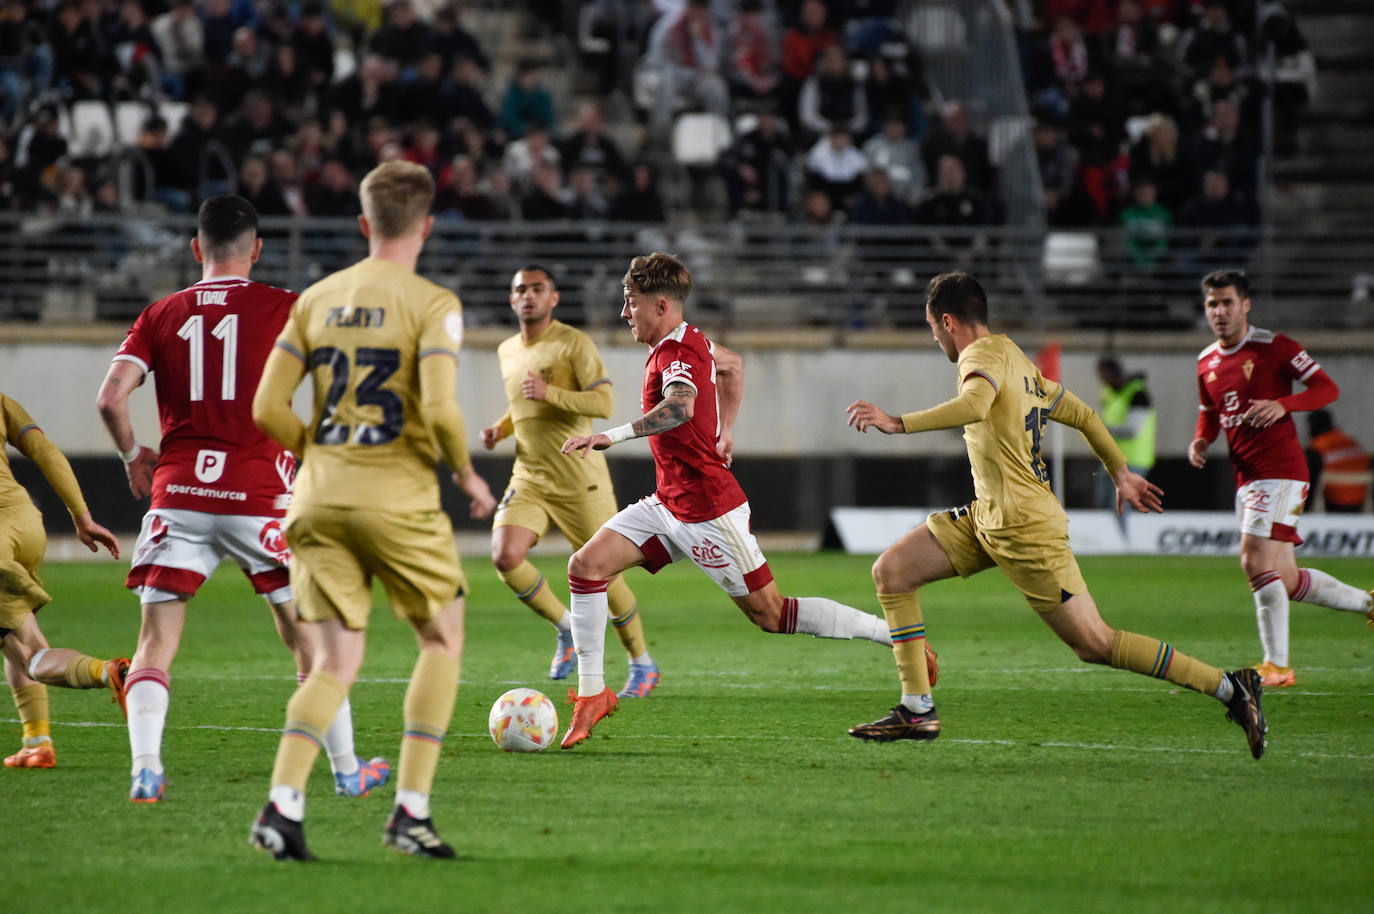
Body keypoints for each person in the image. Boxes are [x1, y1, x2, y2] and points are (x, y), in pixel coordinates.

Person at [844, 271, 1269, 759]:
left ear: (947, 321)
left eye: (932, 329)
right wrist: (1121, 473)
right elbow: (1085, 415)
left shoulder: (979, 358)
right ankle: (917, 709)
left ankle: (1231, 688)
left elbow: (976, 403)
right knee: (892, 572)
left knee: (1096, 644)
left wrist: (898, 423)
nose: (935, 338)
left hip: (1025, 528)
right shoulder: (1016, 359)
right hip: (989, 518)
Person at [96, 195, 389, 803]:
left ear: (196, 248)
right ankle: (345, 770)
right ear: (256, 249)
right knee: (311, 642)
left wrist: (132, 457)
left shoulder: (160, 313)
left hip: (177, 492)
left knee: (154, 643)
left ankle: (145, 768)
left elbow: (109, 398)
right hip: (261, 494)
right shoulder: (287, 307)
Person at [557, 252, 915, 750]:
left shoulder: (675, 354)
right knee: (586, 567)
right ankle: (593, 695)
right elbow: (732, 365)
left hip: (709, 512)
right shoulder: (691, 340)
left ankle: (897, 638)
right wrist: (727, 430)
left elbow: (679, 406)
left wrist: (609, 437)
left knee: (772, 615)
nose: (624, 313)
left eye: (630, 303)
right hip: (668, 505)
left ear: (661, 304)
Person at [249, 160, 496, 861]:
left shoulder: (316, 298)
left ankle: (283, 804)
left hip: (318, 499)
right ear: (427, 226)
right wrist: (466, 474)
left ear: (363, 225)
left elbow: (268, 408)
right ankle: (409, 812)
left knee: (331, 663)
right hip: (398, 498)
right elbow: (444, 408)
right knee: (441, 639)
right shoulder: (433, 302)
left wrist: (323, 453)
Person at [480, 266, 660, 697]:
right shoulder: (507, 349)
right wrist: (501, 429)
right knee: (505, 556)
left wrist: (551, 394)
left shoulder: (572, 343)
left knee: (606, 575)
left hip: (580, 480)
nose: (528, 296)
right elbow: (523, 404)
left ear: (553, 298)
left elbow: (603, 400)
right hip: (530, 476)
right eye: (520, 289)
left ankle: (642, 662)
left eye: (537, 289)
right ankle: (566, 629)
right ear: (511, 300)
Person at [1189, 269, 1373, 687]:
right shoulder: (1206, 361)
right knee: (1285, 580)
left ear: (1245, 304)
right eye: (1212, 304)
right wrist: (1201, 441)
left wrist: (1284, 404)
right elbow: (1210, 412)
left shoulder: (1275, 347)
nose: (1219, 311)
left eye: (1227, 302)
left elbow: (1326, 389)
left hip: (1281, 471)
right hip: (1248, 478)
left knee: (1253, 559)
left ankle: (1277, 666)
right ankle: (1368, 604)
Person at [1, 392, 128, 769]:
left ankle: (114, 672)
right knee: (14, 634)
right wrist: (82, 516)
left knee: (30, 655)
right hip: (25, 521)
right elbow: (46, 452)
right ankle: (36, 742)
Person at [1094, 356, 1155, 509]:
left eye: (1103, 375)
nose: (1102, 380)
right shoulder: (1110, 394)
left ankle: (1124, 533)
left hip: (1133, 460)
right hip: (1112, 460)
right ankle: (1110, 533)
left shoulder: (1138, 394)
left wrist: (1102, 430)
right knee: (1104, 504)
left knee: (1120, 507)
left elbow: (1132, 430)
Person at [1305, 410, 1369, 513]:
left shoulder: (1317, 447)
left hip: (1334, 500)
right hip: (1360, 500)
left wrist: (1305, 511)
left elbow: (1310, 481)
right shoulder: (1350, 441)